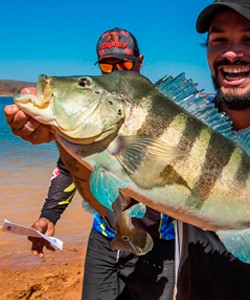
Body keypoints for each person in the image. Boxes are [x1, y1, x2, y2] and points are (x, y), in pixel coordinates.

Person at [5, 2, 250, 299]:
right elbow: (124, 216)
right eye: (219, 40)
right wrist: (66, 145)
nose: (232, 53)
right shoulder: (174, 120)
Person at [5, 27, 175, 300]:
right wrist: (49, 216)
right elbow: (67, 166)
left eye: (125, 65)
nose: (116, 72)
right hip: (104, 237)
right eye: (108, 66)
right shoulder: (94, 112)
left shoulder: (163, 112)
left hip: (158, 242)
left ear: (140, 63)